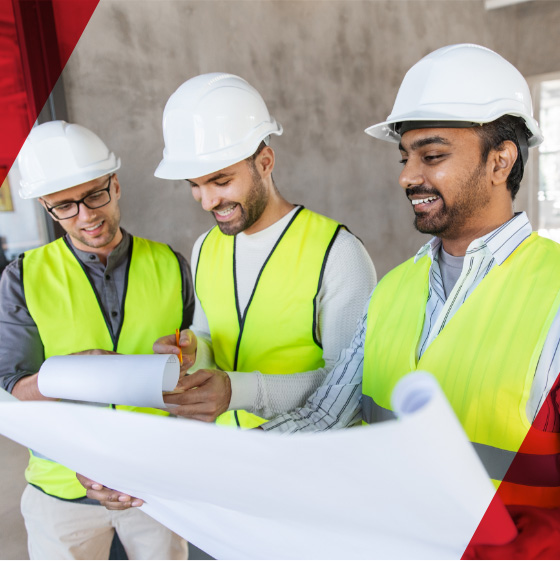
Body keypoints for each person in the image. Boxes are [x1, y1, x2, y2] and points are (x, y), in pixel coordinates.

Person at [260, 44, 560, 557]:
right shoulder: (393, 290)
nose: (406, 176)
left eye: (433, 156)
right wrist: (178, 469)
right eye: (405, 157)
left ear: (500, 160)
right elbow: (322, 419)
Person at [0, 121, 192, 560]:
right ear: (49, 210)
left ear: (115, 184)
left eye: (94, 196)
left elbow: (192, 361)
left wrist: (188, 356)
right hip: (62, 492)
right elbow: (10, 389)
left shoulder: (170, 264)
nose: (86, 216)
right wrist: (67, 377)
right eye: (66, 207)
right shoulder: (22, 278)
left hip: (154, 485)